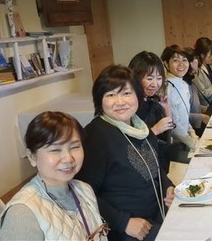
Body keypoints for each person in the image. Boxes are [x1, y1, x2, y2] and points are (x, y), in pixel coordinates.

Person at [75, 65, 175, 240]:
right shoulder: (96, 135)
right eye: (110, 95)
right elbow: (83, 192)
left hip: (157, 213)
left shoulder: (140, 127)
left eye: (126, 93)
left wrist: (168, 187)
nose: (120, 102)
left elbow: (154, 167)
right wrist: (124, 222)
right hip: (126, 230)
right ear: (100, 101)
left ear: (138, 95)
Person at [0, 111, 108, 241]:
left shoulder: (84, 190)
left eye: (74, 147)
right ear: (32, 157)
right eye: (55, 150)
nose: (68, 158)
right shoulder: (21, 214)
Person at [128, 51, 175, 172]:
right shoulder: (130, 106)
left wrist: (167, 109)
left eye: (159, 78)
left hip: (160, 159)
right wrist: (155, 130)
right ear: (135, 77)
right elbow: (130, 145)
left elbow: (168, 132)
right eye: (149, 78)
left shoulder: (152, 100)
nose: (155, 84)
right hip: (144, 167)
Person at [162, 44, 198, 152]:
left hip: (186, 139)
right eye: (176, 60)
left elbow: (185, 116)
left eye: (185, 60)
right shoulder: (167, 88)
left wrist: (192, 133)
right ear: (166, 64)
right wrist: (193, 144)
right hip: (176, 145)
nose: (181, 64)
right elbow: (174, 125)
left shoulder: (183, 84)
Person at [183, 46, 210, 137]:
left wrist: (203, 108)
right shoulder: (181, 85)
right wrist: (201, 116)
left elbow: (192, 104)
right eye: (193, 72)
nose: (196, 73)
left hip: (196, 124)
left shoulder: (189, 82)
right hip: (190, 129)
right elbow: (180, 115)